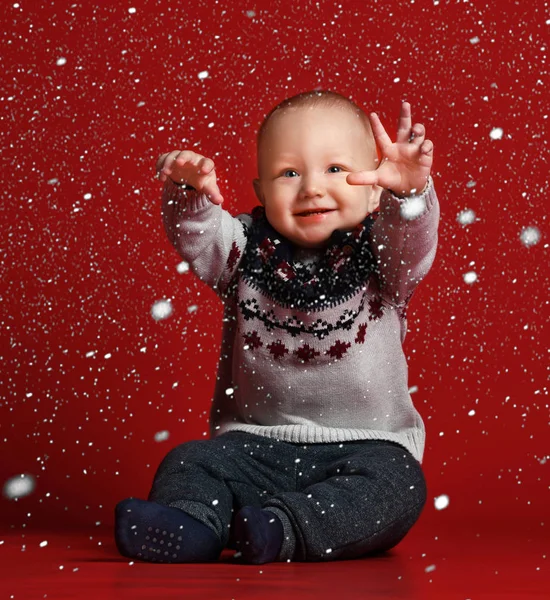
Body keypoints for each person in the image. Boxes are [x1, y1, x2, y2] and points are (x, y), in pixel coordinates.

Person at [115, 90, 440, 564]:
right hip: (254, 449)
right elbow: (198, 234)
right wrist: (189, 192)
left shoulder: (384, 261)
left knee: (400, 485)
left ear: (374, 189)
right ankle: (193, 523)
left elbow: (410, 238)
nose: (311, 187)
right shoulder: (243, 252)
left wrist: (409, 194)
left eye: (335, 169)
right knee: (189, 461)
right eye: (289, 172)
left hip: (367, 451)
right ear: (263, 192)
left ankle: (281, 529)